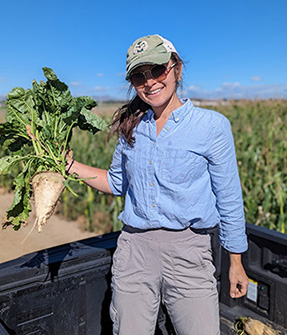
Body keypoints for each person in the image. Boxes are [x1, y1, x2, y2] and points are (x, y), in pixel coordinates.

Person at [66, 34, 249, 335]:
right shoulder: (133, 128)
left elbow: (228, 197)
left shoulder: (212, 127)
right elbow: (115, 182)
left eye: (157, 70)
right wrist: (68, 166)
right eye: (139, 75)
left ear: (176, 68)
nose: (149, 81)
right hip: (134, 250)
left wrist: (236, 261)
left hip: (190, 251)